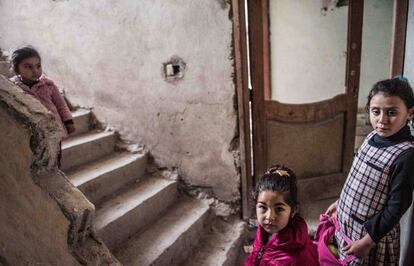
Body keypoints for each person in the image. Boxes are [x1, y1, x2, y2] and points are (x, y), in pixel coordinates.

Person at [325, 77, 414, 265]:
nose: (382, 120)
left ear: (410, 113)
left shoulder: (406, 155)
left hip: (372, 240)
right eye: (376, 112)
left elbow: (396, 207)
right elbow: (357, 178)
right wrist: (341, 203)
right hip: (349, 228)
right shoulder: (372, 136)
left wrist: (366, 242)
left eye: (392, 112)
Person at [9, 46, 75, 166]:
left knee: (55, 155)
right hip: (32, 131)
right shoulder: (13, 87)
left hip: (53, 128)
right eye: (28, 67)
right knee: (37, 156)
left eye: (38, 66)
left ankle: (55, 169)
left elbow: (61, 104)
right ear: (16, 68)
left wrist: (68, 121)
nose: (35, 71)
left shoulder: (48, 85)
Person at [245, 165, 318, 266]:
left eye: (279, 209)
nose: (269, 217)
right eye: (263, 207)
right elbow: (255, 256)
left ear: (293, 210)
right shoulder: (263, 231)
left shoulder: (296, 258)